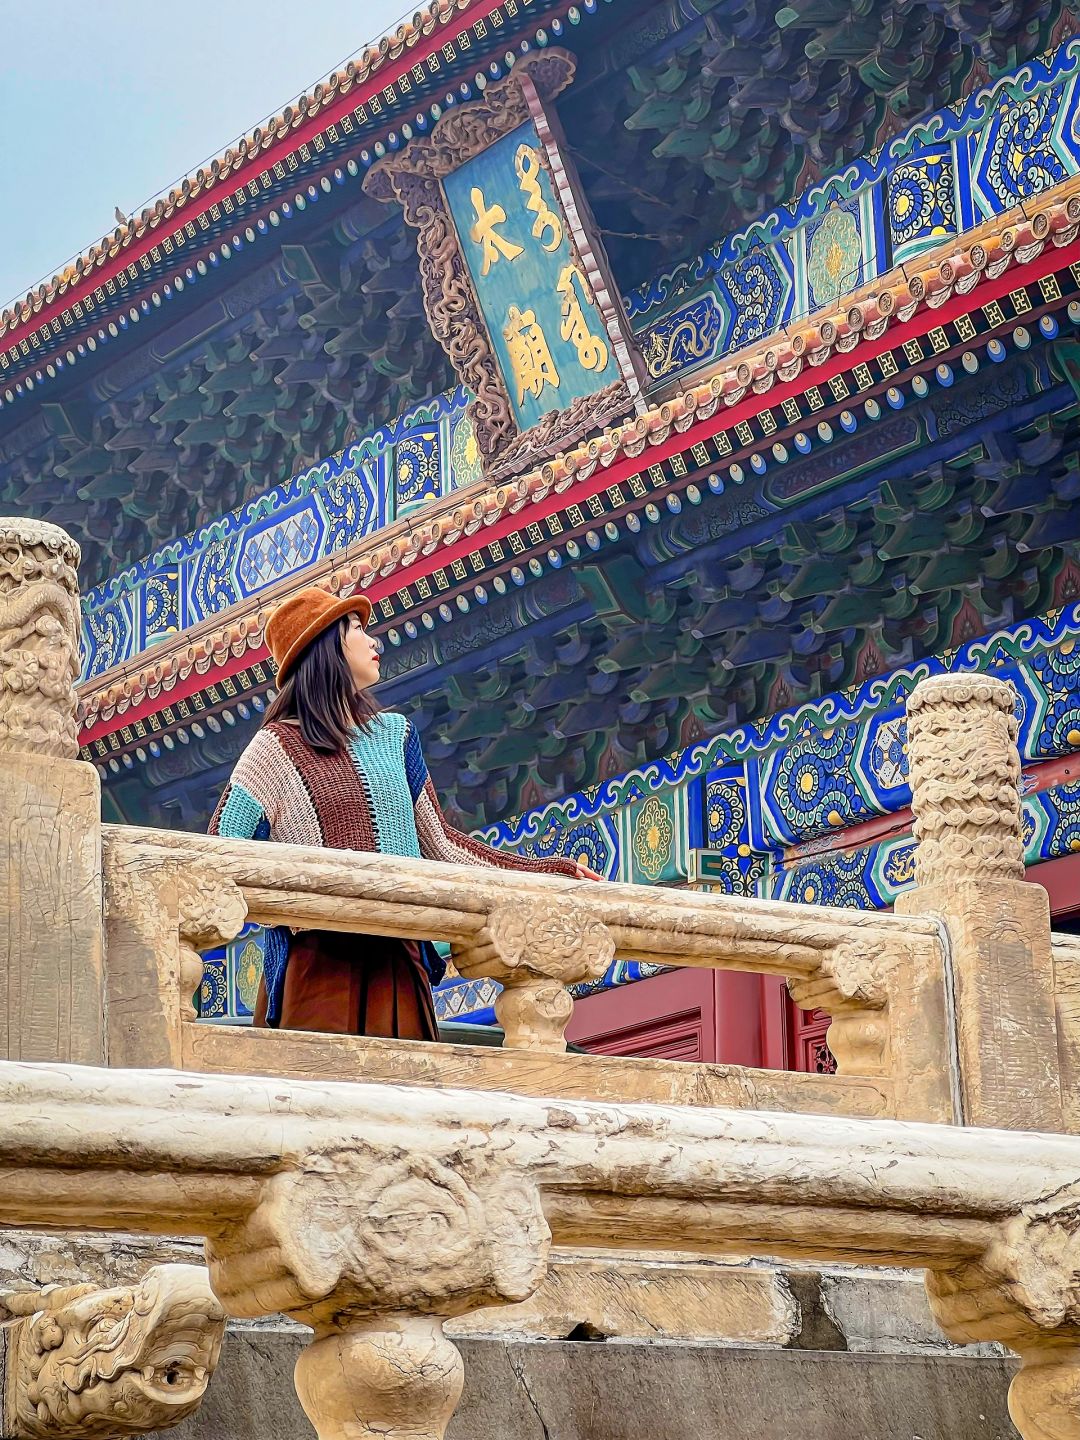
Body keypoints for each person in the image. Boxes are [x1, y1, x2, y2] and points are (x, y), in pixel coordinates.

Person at [209, 584, 599, 1040]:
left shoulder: (395, 737)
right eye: (356, 628)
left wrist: (546, 873)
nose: (373, 640)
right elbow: (223, 852)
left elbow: (442, 845)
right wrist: (297, 908)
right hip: (319, 967)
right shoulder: (272, 749)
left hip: (399, 956)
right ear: (324, 648)